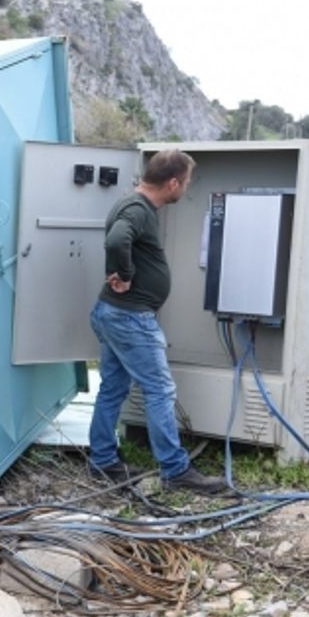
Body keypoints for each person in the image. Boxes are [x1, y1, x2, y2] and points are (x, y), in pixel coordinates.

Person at [88, 149, 227, 495]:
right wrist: (125, 274)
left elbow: (119, 240)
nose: (187, 188)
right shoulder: (137, 209)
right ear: (173, 183)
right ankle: (175, 469)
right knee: (160, 390)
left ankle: (103, 460)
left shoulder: (132, 204)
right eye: (187, 182)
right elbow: (117, 239)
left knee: (113, 388)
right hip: (130, 318)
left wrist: (120, 273)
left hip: (113, 313)